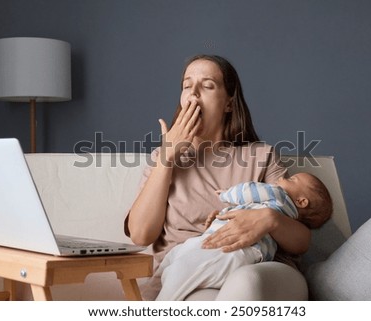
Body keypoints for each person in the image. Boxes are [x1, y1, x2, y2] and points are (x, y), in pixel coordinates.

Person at [125, 54, 312, 300]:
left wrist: (270, 219)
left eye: (207, 85)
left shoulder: (261, 155)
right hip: (191, 276)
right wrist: (167, 158)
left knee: (245, 282)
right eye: (187, 86)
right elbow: (140, 235)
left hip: (260, 268)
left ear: (229, 104)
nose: (193, 95)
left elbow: (302, 241)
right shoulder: (163, 158)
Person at [155, 173, 333, 300]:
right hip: (246, 255)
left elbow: (249, 190)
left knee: (183, 267)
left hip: (236, 249)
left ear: (301, 201)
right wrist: (220, 220)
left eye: (291, 179)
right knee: (180, 256)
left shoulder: (278, 195)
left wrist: (227, 194)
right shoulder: (286, 213)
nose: (282, 179)